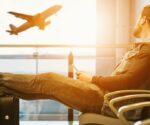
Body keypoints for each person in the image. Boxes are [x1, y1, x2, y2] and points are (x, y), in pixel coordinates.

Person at [0, 5, 150, 114]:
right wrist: (91, 80)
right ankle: (3, 86)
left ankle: (1, 81)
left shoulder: (147, 51)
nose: (136, 21)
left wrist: (92, 79)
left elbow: (127, 82)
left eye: (138, 19)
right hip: (108, 96)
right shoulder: (141, 48)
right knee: (47, 87)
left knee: (47, 80)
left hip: (108, 100)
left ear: (143, 20)